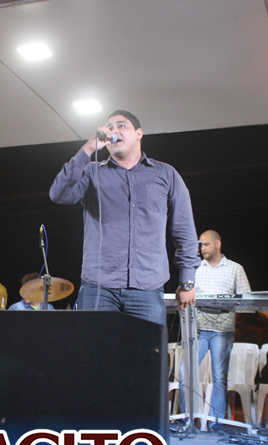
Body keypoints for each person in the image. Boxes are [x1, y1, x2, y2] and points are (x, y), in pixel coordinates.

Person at [49, 110, 199, 325]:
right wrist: (88, 148)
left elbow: (183, 228)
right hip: (98, 286)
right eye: (109, 127)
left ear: (139, 133)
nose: (114, 131)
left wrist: (187, 281)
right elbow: (59, 194)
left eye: (121, 125)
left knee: (146, 347)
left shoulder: (166, 174)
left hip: (147, 287)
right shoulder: (91, 172)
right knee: (96, 347)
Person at [193, 230, 250, 426]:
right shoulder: (195, 269)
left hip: (223, 330)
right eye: (201, 245)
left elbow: (247, 299)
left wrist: (226, 303)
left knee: (219, 376)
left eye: (206, 244)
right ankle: (186, 420)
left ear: (218, 244)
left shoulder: (235, 269)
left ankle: (216, 422)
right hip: (198, 330)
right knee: (186, 373)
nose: (203, 248)